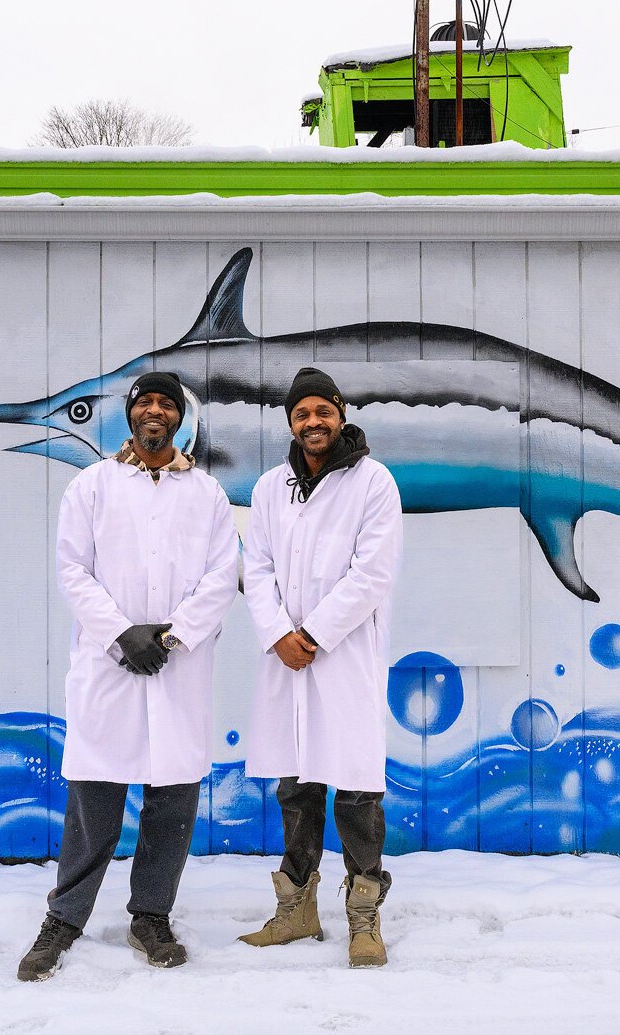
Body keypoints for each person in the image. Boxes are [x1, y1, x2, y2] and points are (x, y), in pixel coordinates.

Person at [16, 370, 240, 983]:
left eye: (169, 405)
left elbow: (223, 575)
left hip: (176, 662)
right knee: (95, 796)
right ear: (131, 414)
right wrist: (121, 633)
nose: (157, 413)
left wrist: (170, 636)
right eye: (147, 403)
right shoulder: (91, 487)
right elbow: (73, 570)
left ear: (179, 420)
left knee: (171, 799)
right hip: (108, 660)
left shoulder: (207, 495)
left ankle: (151, 915)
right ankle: (64, 918)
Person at [238, 366, 404, 968]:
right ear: (291, 422)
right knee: (296, 785)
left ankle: (363, 914)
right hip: (286, 659)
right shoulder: (269, 487)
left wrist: (312, 633)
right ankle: (297, 909)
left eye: (322, 412)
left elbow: (373, 572)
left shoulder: (374, 482)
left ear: (341, 414)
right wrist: (279, 632)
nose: (313, 423)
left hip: (344, 655)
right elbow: (253, 568)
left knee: (357, 791)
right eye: (302, 414)